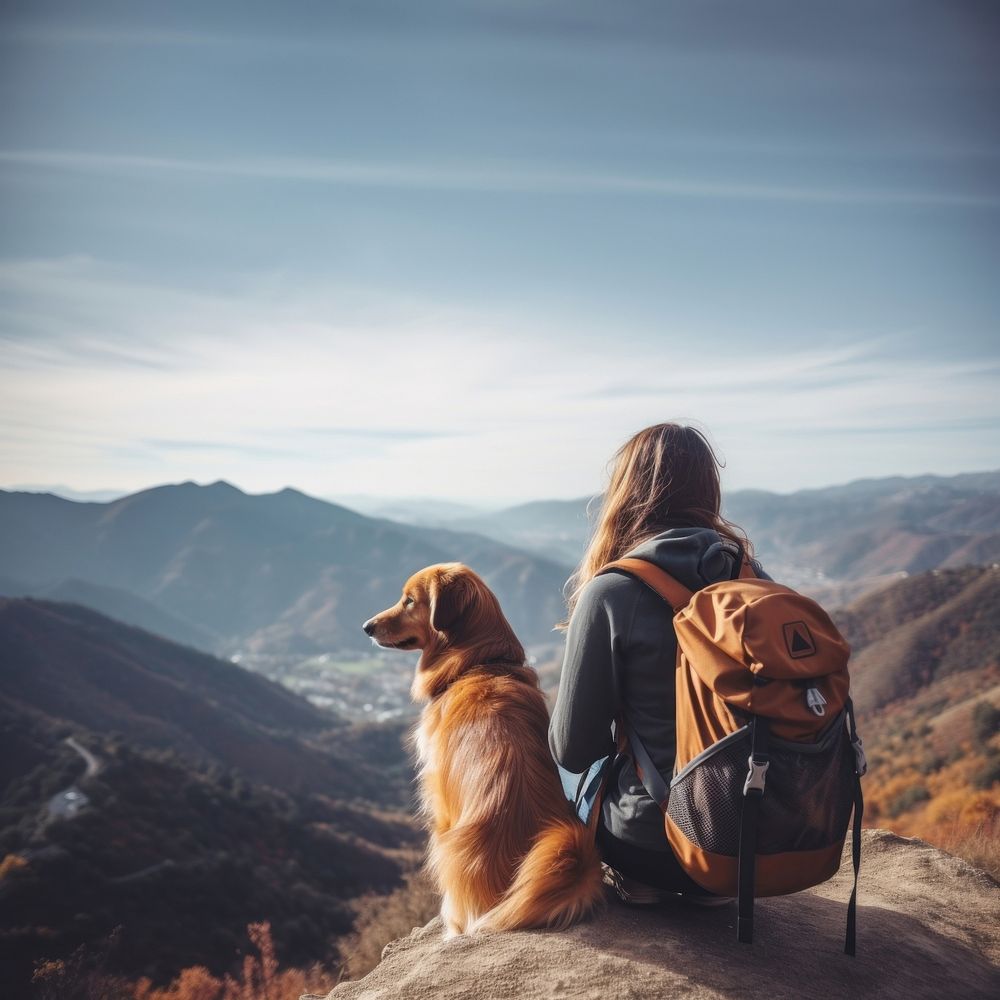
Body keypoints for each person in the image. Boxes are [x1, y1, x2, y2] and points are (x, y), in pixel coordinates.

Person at [549, 422, 765, 903]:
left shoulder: (613, 591)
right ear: (709, 489)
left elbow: (572, 749)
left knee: (546, 769)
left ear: (625, 492)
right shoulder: (753, 580)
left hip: (659, 850)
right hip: (765, 839)